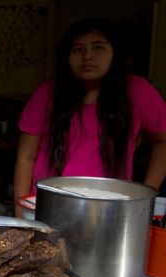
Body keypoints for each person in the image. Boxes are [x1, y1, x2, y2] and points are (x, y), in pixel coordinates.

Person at [14, 17, 166, 217]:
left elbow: (163, 140)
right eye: (77, 49)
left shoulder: (138, 91)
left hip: (110, 211)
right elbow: (26, 157)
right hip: (47, 207)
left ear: (115, 52)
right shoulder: (46, 94)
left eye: (98, 48)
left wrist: (146, 194)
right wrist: (20, 215)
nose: (87, 56)